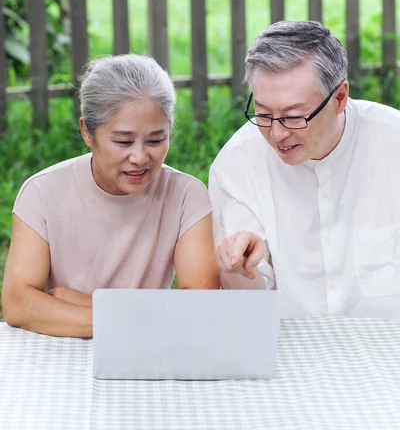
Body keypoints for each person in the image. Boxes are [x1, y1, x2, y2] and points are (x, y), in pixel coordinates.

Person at [2, 54, 219, 337]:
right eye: (123, 141)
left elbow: (201, 304)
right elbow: (18, 304)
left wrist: (88, 306)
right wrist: (135, 322)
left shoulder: (187, 196)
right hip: (63, 348)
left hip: (143, 352)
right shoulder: (42, 193)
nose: (140, 157)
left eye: (156, 140)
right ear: (87, 133)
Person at [211, 20, 400, 320]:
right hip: (287, 345)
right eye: (262, 113)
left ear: (339, 98)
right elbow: (246, 308)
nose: (276, 134)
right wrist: (238, 269)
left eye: (293, 116)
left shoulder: (393, 142)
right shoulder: (237, 164)